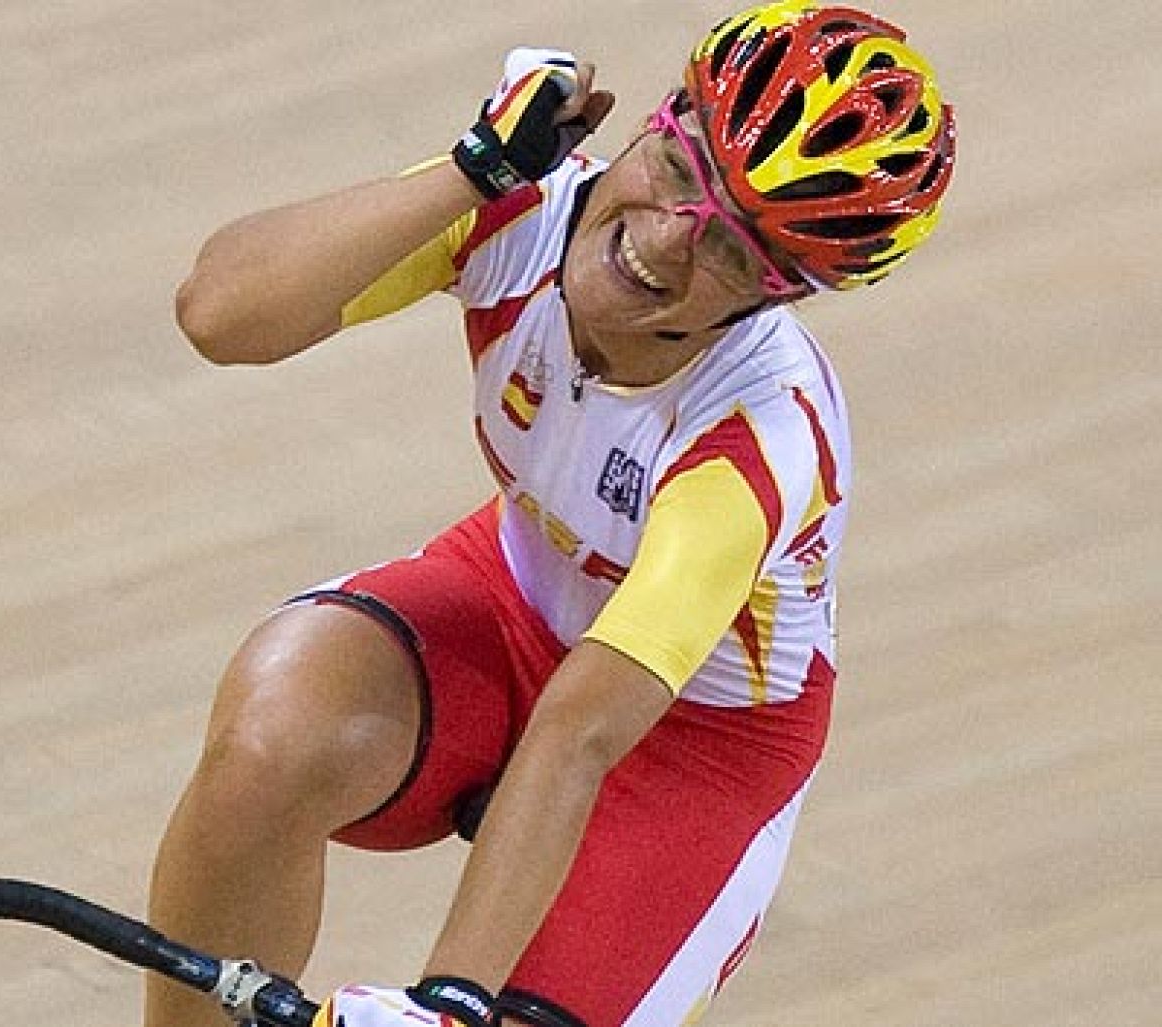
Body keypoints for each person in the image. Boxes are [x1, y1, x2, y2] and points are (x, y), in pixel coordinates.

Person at [146, 2, 956, 1024]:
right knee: (270, 741)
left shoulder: (759, 437)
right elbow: (219, 314)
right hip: (511, 598)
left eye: (735, 253)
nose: (665, 244)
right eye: (682, 169)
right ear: (658, 120)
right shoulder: (519, 208)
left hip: (687, 739)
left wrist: (449, 1000)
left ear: (778, 296)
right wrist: (471, 165)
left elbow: (579, 732)